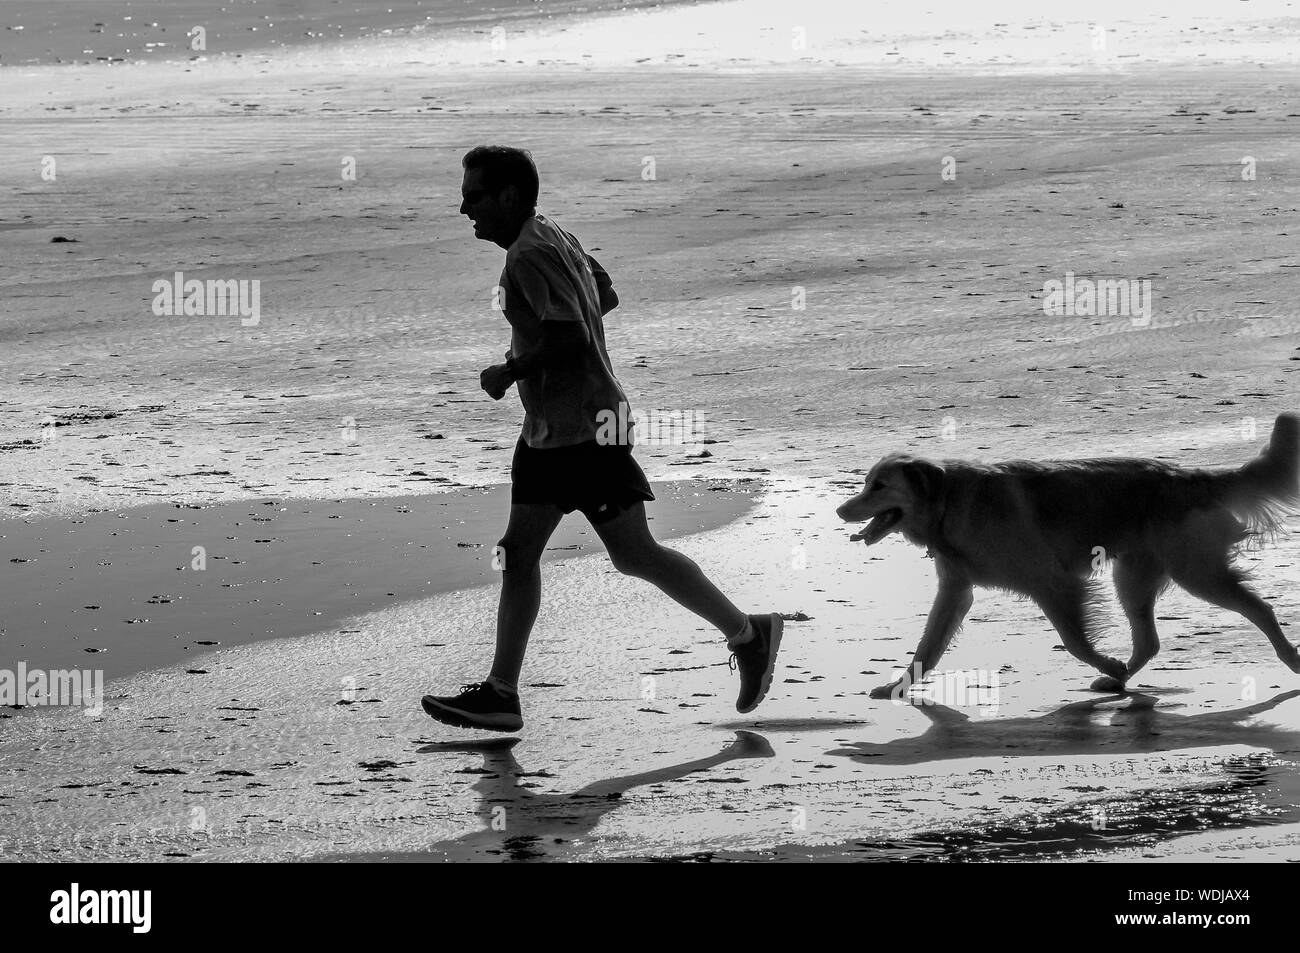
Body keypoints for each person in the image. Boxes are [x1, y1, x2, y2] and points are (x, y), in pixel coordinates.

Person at [421, 145, 782, 732]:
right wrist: (549, 340)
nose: (464, 208)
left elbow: (570, 340)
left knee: (634, 554)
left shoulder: (528, 257)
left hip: (586, 431)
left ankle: (748, 634)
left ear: (509, 196)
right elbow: (604, 293)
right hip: (549, 432)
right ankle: (502, 693)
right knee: (520, 553)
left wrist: (509, 371)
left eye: (474, 196)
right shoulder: (551, 234)